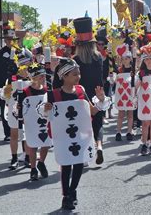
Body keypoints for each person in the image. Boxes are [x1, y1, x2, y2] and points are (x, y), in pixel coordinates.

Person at [45, 58, 106, 210]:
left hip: (80, 135)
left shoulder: (80, 90)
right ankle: (66, 196)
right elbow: (49, 116)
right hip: (63, 137)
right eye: (74, 74)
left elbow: (91, 110)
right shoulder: (54, 95)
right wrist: (46, 109)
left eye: (78, 73)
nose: (78, 76)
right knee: (66, 166)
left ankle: (73, 191)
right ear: (64, 76)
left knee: (79, 163)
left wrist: (101, 100)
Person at [72, 17, 105, 165]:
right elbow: (102, 78)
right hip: (98, 93)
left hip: (80, 96)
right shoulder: (99, 58)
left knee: (83, 126)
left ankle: (86, 156)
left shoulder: (75, 60)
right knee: (98, 124)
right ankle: (99, 146)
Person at [18, 63, 50, 180]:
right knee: (32, 145)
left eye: (44, 76)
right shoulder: (25, 92)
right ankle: (33, 169)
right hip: (31, 123)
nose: (43, 78)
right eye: (41, 76)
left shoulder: (47, 90)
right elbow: (21, 108)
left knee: (46, 143)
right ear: (34, 77)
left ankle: (41, 162)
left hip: (44, 121)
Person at [0, 22, 19, 141]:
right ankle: (8, 132)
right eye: (8, 39)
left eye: (12, 39)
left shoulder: (20, 52)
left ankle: (18, 130)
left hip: (18, 84)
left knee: (18, 108)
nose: (10, 41)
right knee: (5, 108)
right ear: (5, 40)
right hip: (5, 85)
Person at [136, 44, 151, 156]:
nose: (149, 61)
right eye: (147, 59)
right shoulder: (141, 73)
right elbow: (136, 86)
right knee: (145, 123)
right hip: (145, 101)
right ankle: (145, 144)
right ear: (144, 61)